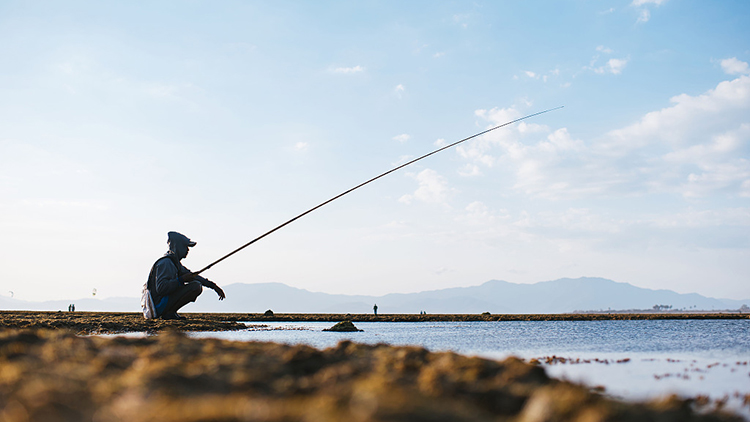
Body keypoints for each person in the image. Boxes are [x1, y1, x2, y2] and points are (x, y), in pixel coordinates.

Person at [146, 231, 226, 320]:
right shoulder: (166, 263)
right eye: (185, 246)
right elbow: (161, 288)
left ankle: (171, 312)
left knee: (196, 283)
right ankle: (168, 313)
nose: (188, 250)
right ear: (176, 246)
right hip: (159, 305)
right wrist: (181, 280)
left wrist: (213, 286)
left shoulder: (175, 264)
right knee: (196, 286)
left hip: (163, 302)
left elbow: (193, 276)